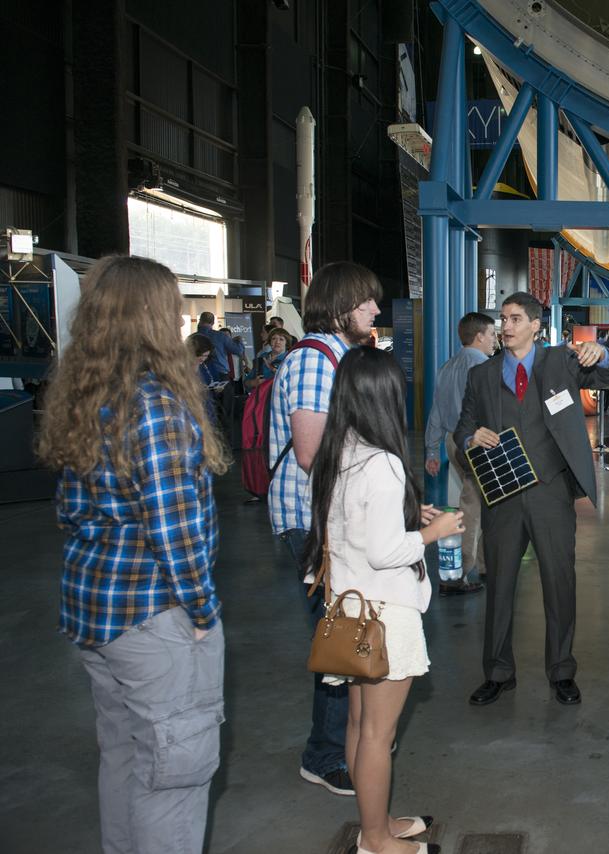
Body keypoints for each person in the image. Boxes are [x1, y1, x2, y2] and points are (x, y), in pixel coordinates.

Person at [37, 255, 229, 854]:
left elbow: (71, 510)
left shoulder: (86, 396)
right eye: (170, 306)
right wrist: (201, 613)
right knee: (174, 774)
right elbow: (177, 533)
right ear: (151, 317)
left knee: (124, 759)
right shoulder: (156, 406)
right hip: (155, 620)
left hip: (97, 614)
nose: (179, 317)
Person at [303, 346, 462, 854]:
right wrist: (434, 531)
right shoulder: (385, 462)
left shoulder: (339, 452)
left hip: (350, 612)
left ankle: (378, 820)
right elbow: (385, 552)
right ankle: (375, 840)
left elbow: (350, 526)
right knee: (377, 733)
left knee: (357, 723)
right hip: (386, 615)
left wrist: (408, 512)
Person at [455, 291, 609, 707]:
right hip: (503, 497)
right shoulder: (482, 376)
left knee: (559, 582)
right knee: (500, 586)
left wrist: (600, 353)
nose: (506, 326)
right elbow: (463, 428)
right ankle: (497, 671)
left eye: (515, 319)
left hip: (551, 493)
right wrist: (469, 438)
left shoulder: (562, 362)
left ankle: (562, 670)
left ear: (535, 325)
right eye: (503, 319)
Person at [268, 261, 382, 797]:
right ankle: (327, 754)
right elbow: (315, 455)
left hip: (332, 519)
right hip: (316, 523)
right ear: (340, 310)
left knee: (344, 633)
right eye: (366, 304)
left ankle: (348, 739)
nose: (376, 311)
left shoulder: (338, 358)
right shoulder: (316, 362)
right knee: (340, 642)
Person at [424, 311, 496, 595]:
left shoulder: (446, 367)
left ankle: (485, 563)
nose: (495, 340)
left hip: (454, 443)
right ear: (479, 336)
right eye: (491, 335)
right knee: (473, 505)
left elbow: (437, 412)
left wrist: (432, 449)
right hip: (479, 442)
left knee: (482, 499)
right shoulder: (485, 368)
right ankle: (457, 573)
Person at [195, 311, 245, 382]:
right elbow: (238, 351)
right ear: (213, 323)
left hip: (199, 374)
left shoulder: (191, 338)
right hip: (220, 374)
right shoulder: (221, 336)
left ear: (200, 321)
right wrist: (239, 341)